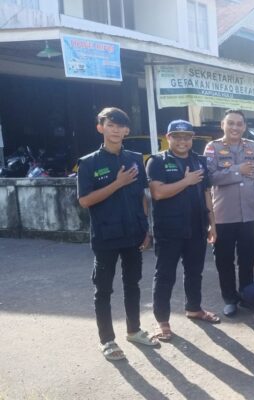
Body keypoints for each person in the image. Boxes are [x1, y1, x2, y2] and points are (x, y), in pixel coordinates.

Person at [77, 107, 158, 361]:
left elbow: (143, 197)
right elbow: (85, 201)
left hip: (134, 234)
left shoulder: (135, 158)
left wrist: (146, 229)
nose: (115, 130)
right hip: (106, 237)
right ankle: (107, 340)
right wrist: (117, 183)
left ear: (127, 130)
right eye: (110, 125)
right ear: (100, 127)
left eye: (120, 126)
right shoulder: (89, 163)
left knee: (132, 284)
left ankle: (133, 330)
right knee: (103, 290)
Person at [146, 120, 221, 341]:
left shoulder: (199, 161)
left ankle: (194, 308)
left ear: (192, 139)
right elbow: (158, 193)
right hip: (169, 229)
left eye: (187, 137)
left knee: (194, 272)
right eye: (177, 136)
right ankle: (162, 321)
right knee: (165, 275)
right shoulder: (157, 161)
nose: (182, 141)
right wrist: (186, 181)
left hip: (197, 227)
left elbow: (207, 192)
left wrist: (212, 224)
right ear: (168, 137)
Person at [205, 109, 254, 317]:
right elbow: (210, 178)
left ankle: (247, 296)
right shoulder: (212, 148)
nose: (235, 128)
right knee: (224, 260)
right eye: (231, 123)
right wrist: (237, 170)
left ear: (244, 127)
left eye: (239, 124)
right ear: (222, 125)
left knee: (247, 258)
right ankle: (230, 299)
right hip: (223, 215)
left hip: (249, 215)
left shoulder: (253, 147)